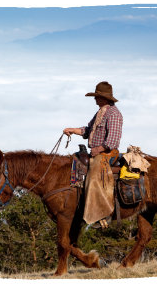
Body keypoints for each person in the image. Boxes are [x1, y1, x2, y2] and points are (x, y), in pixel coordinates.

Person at [63, 81, 123, 229]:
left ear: (105, 98)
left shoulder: (114, 114)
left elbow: (113, 141)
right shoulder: (101, 112)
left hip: (107, 153)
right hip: (97, 151)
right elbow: (88, 130)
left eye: (97, 96)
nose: (95, 99)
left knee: (94, 176)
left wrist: (98, 149)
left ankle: (102, 215)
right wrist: (73, 130)